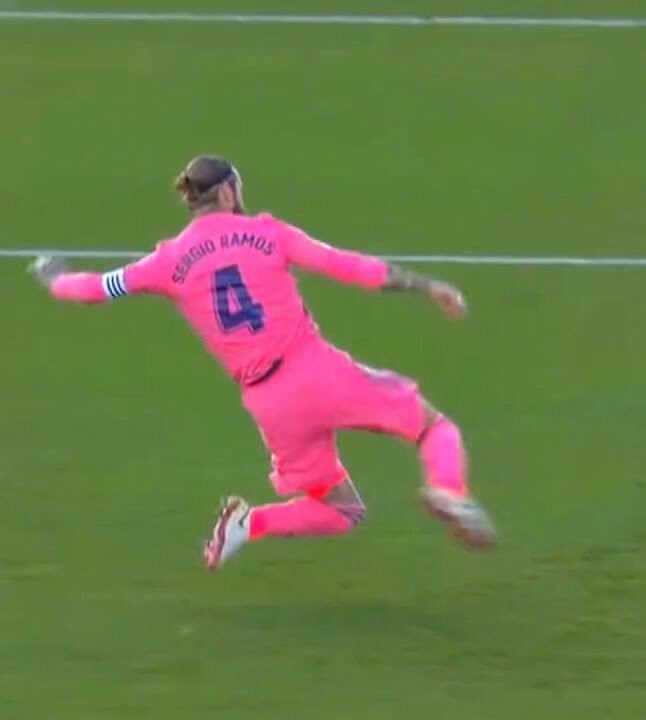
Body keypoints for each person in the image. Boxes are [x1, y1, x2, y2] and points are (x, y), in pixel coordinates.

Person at [30, 155, 496, 572]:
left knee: (342, 510)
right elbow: (349, 266)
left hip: (270, 404)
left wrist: (55, 279)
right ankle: (448, 490)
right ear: (227, 192)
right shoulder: (268, 233)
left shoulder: (165, 262)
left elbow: (97, 289)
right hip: (317, 371)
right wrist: (427, 287)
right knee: (433, 428)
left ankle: (249, 524)